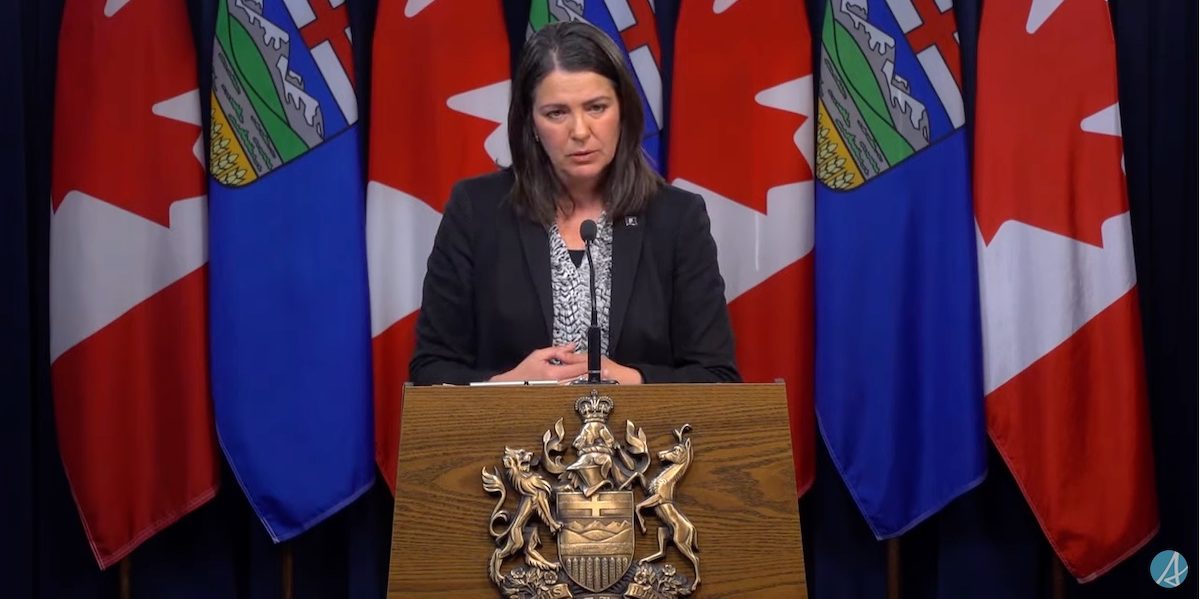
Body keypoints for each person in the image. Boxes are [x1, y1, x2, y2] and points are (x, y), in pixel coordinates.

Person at [409, 21, 739, 386]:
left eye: (596, 107)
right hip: (511, 440)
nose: (580, 131)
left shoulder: (676, 218)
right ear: (531, 124)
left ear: (623, 111)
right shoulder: (477, 211)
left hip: (641, 441)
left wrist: (629, 379)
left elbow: (717, 377)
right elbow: (430, 370)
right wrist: (509, 384)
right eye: (556, 113)